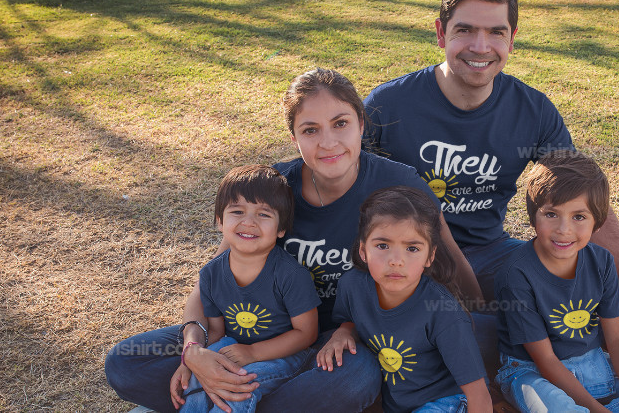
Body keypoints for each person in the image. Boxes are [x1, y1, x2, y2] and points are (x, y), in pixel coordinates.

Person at [105, 68, 481, 413]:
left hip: (339, 340)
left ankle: (224, 395)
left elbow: (449, 259)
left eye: (340, 123)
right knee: (125, 363)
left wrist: (483, 329)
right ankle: (230, 390)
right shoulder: (274, 190)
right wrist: (194, 351)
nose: (329, 142)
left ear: (361, 125)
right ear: (294, 136)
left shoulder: (400, 184)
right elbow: (214, 275)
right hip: (256, 333)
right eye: (311, 129)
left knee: (358, 378)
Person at [363, 0, 619, 357]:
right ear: (441, 33)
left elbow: (582, 200)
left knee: (580, 308)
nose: (480, 46)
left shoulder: (532, 111)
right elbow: (346, 196)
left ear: (512, 38)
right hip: (409, 254)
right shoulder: (387, 106)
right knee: (434, 329)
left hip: (492, 254)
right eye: (465, 30)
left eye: (496, 32)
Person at [494, 150, 619, 412]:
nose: (564, 229)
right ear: (533, 217)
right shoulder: (516, 274)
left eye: (579, 217)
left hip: (592, 364)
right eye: (551, 214)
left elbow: (618, 340)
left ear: (597, 223)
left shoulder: (602, 261)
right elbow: (545, 359)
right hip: (533, 373)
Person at [317, 186, 492, 413]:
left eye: (412, 248)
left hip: (446, 401)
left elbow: (479, 396)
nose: (396, 260)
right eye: (382, 246)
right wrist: (343, 332)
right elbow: (350, 320)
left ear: (430, 256)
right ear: (362, 250)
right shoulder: (353, 285)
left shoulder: (442, 311)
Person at [174, 165, 320, 413]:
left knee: (239, 384)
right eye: (237, 211)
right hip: (234, 347)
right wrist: (194, 360)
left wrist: (253, 352)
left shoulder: (291, 275)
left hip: (286, 355)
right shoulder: (211, 274)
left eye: (264, 215)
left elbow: (307, 334)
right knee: (197, 380)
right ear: (220, 221)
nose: (249, 222)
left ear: (281, 228)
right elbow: (217, 331)